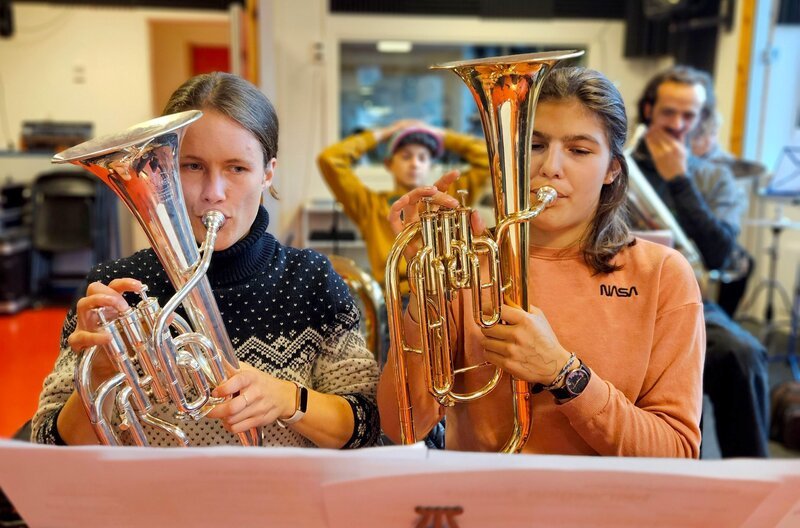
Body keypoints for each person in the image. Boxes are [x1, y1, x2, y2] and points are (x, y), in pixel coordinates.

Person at [31, 72, 380, 448]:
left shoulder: (310, 279)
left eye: (237, 168)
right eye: (192, 166)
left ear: (267, 173)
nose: (214, 193)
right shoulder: (114, 290)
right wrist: (99, 374)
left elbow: (367, 425)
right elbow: (48, 445)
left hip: (283, 487)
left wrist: (289, 399)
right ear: (161, 170)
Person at [377, 66, 706, 457]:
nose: (551, 167)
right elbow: (401, 426)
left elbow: (675, 452)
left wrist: (564, 373)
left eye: (579, 150)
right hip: (484, 494)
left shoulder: (663, 274)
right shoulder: (467, 264)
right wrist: (427, 289)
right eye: (535, 145)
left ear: (611, 170)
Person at [632, 65, 770, 458]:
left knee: (743, 355)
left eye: (689, 115)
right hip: (622, 299)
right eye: (668, 112)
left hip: (691, 302)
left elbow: (721, 253)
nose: (678, 125)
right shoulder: (615, 166)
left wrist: (680, 180)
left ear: (701, 117)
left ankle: (751, 479)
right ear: (648, 109)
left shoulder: (713, 178)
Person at [317, 119, 490, 295]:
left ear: (430, 165)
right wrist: (384, 133)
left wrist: (439, 133)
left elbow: (488, 156)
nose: (415, 163)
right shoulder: (370, 205)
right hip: (398, 296)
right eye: (406, 157)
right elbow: (330, 160)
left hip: (448, 291)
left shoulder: (448, 195)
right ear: (388, 164)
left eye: (422, 158)